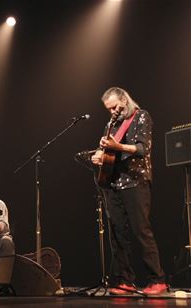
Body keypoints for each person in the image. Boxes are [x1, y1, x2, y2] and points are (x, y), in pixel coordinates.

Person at [91, 87, 167, 295]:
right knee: (117, 234)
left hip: (136, 181)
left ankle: (157, 279)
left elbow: (143, 149)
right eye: (109, 109)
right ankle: (125, 280)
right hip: (113, 183)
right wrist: (98, 155)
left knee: (141, 230)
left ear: (124, 100)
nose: (113, 111)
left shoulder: (141, 116)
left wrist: (118, 147)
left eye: (115, 106)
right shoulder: (111, 124)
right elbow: (107, 149)